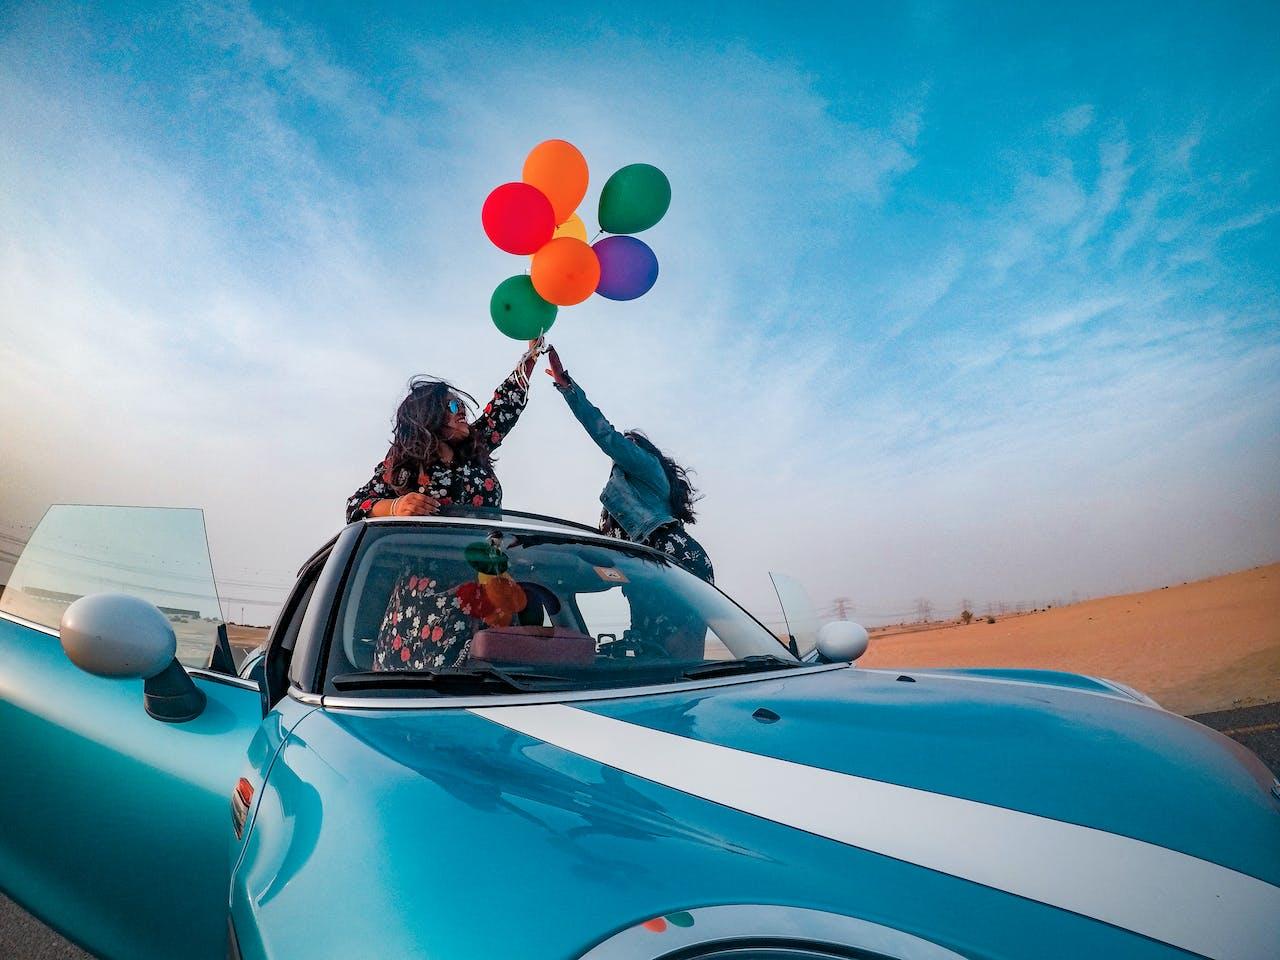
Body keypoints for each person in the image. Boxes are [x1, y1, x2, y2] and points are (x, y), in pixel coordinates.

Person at [346, 342, 540, 670]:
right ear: (429, 417)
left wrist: (530, 357)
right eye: (452, 406)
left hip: (489, 593)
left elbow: (505, 405)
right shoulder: (405, 462)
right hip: (423, 610)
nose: (462, 409)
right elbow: (356, 507)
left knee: (495, 688)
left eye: (460, 404)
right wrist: (394, 507)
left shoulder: (476, 445)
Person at [544, 345, 714, 585]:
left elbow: (605, 434)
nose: (624, 447)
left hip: (671, 554)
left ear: (644, 449)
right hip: (645, 562)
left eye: (631, 443)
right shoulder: (621, 491)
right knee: (646, 624)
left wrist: (568, 388)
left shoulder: (648, 465)